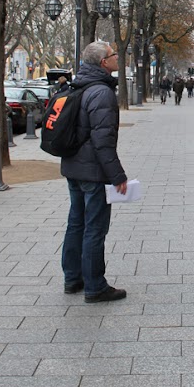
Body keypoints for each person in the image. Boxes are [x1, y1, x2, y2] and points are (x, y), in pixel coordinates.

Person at [60, 41, 128, 303]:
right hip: (92, 172)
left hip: (73, 168)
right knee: (94, 228)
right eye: (113, 55)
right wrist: (117, 176)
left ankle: (72, 278)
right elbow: (103, 140)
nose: (117, 58)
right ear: (103, 62)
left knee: (76, 223)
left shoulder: (78, 85)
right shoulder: (101, 92)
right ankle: (95, 286)